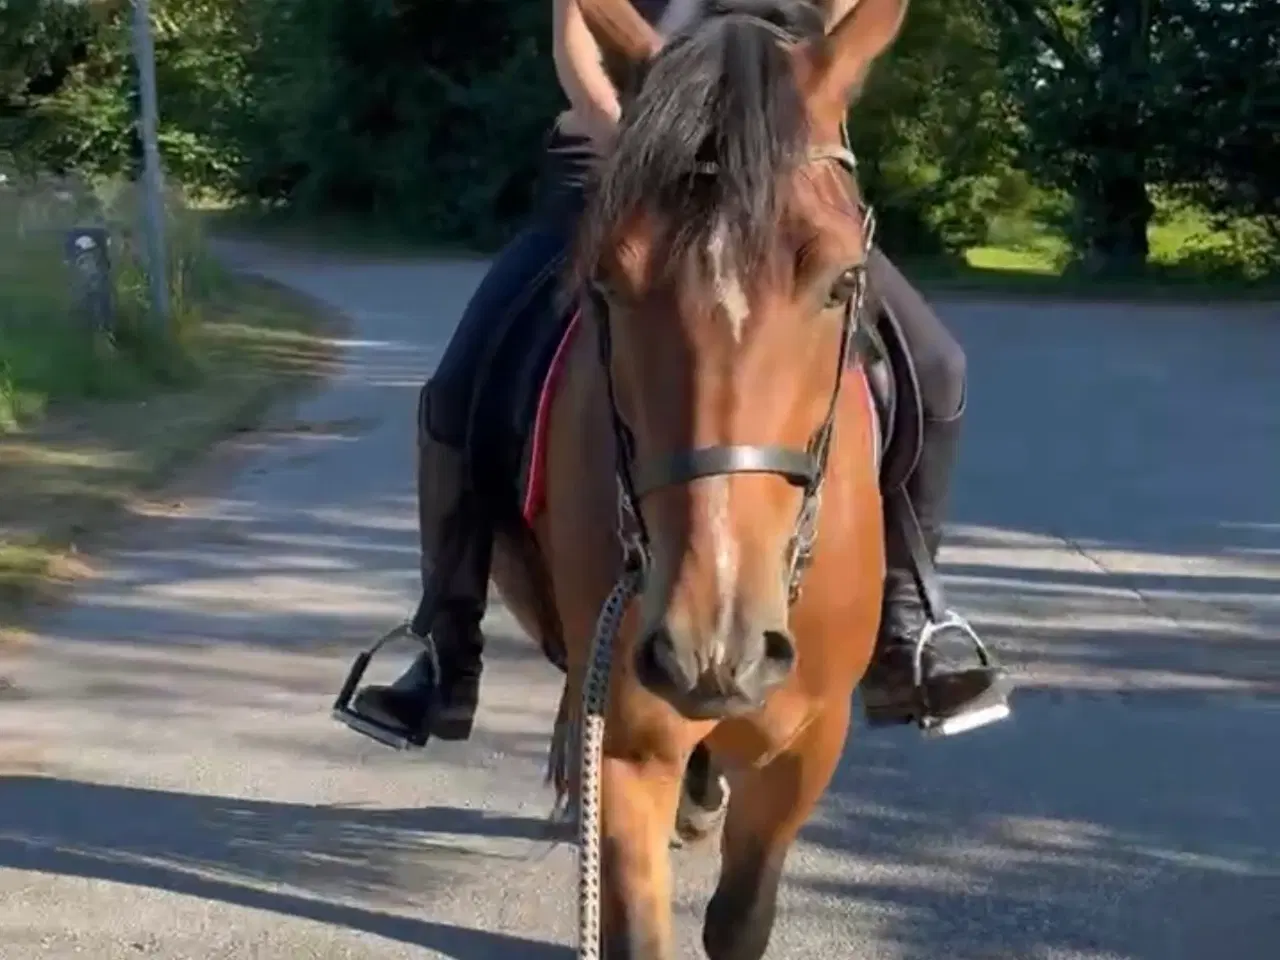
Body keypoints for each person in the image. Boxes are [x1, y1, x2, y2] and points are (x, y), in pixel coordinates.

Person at [348, 0, 1010, 747]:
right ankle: (445, 641)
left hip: (776, 167)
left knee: (935, 366)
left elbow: (842, 35)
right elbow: (576, 43)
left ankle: (907, 623)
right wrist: (636, 137)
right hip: (618, 161)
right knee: (459, 387)